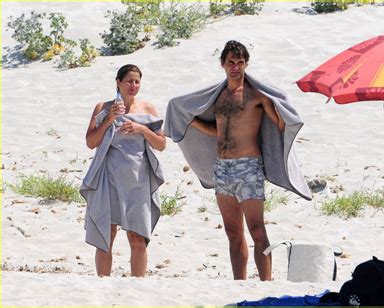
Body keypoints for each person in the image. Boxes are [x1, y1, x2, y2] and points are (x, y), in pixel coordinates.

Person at [164, 41, 311, 281]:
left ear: (246, 64)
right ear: (222, 64)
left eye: (240, 63)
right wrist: (192, 123)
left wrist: (285, 115)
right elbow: (220, 131)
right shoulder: (218, 96)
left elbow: (280, 124)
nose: (235, 67)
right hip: (222, 168)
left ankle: (266, 283)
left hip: (248, 167)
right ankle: (239, 284)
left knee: (256, 229)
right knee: (233, 232)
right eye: (231, 63)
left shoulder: (256, 95)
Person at [80, 64, 166, 277]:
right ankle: (103, 283)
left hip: (138, 179)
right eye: (129, 81)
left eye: (137, 81)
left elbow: (161, 144)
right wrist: (109, 118)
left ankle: (138, 287)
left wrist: (143, 129)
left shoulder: (147, 109)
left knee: (137, 237)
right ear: (118, 82)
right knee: (106, 234)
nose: (133, 86)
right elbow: (91, 142)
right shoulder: (103, 107)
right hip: (108, 178)